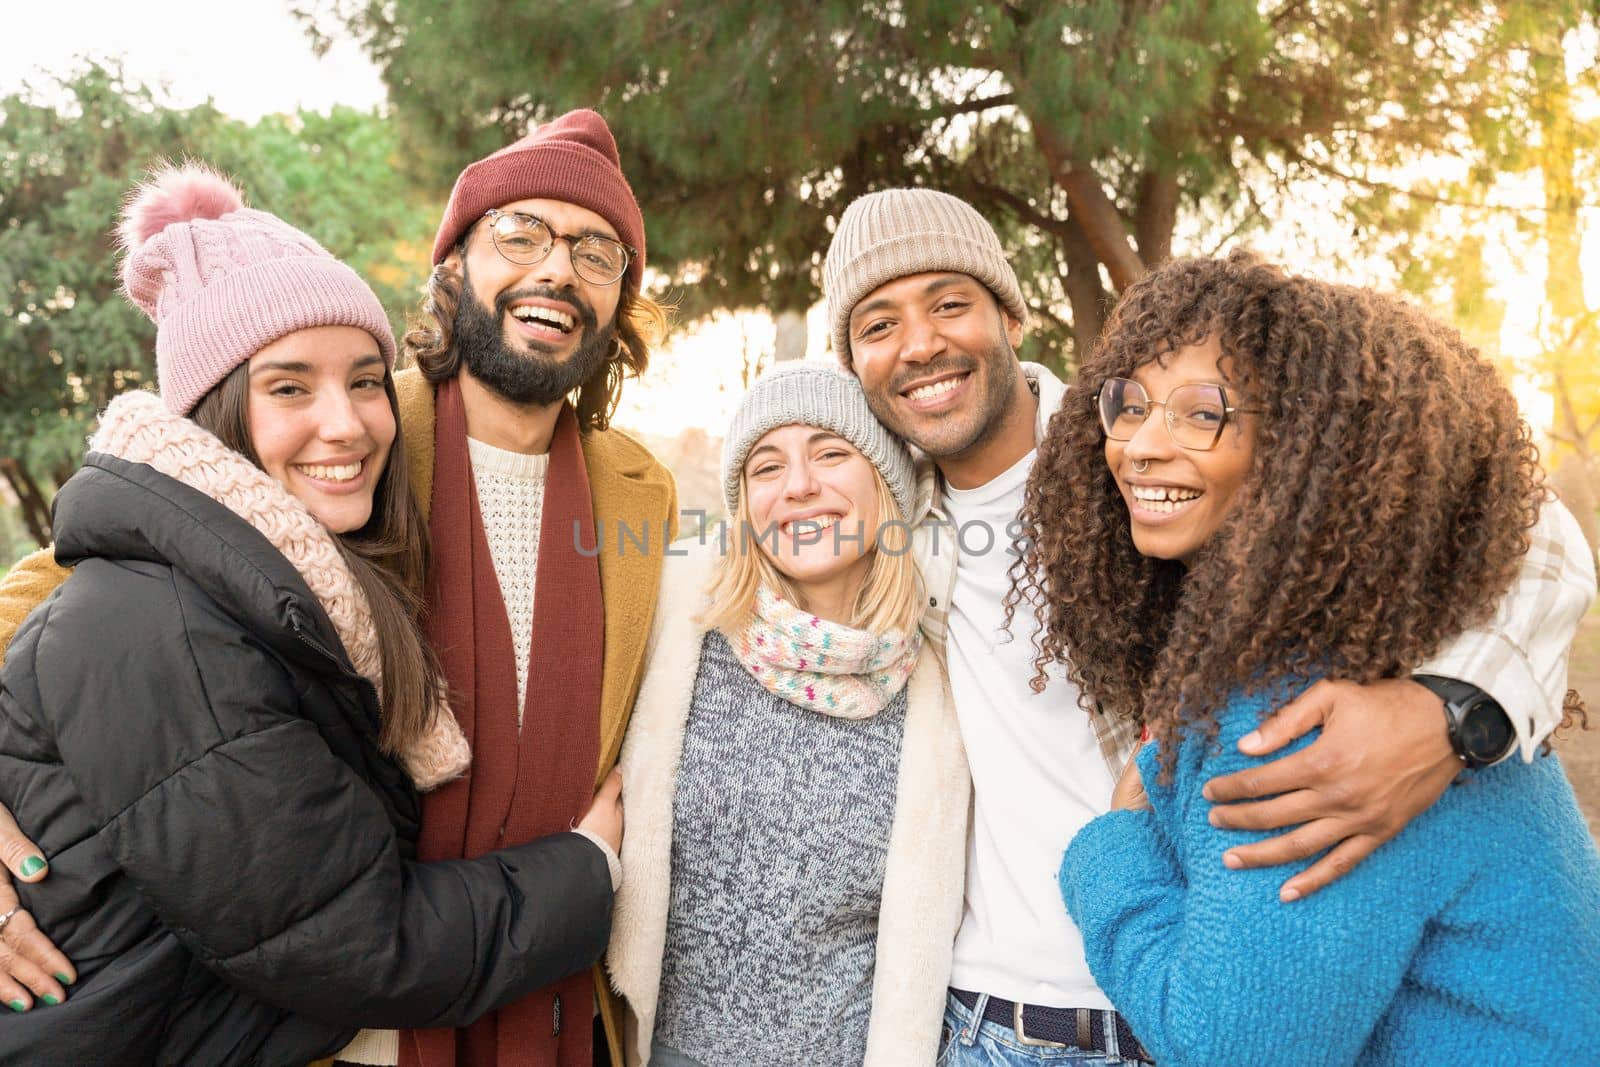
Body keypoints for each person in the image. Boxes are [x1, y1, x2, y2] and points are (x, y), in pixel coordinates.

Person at [821, 189, 1595, 1065]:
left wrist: (1452, 712)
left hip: (1176, 989)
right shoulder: (896, 517)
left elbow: (1524, 530)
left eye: (949, 303)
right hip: (991, 1014)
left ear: (1009, 312)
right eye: (877, 324)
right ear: (852, 363)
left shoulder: (1129, 471)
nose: (920, 343)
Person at [0, 109, 677, 1067]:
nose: (557, 268)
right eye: (520, 233)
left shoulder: (640, 489)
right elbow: (79, 582)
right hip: (351, 1009)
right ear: (455, 267)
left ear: (620, 301)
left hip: (558, 997)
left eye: (597, 251)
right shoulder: (364, 426)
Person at [1032, 250, 1600, 1064]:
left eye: (1202, 413)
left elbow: (1234, 1050)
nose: (1140, 446)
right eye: (1130, 405)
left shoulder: (1303, 715)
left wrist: (1109, 855)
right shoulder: (1377, 640)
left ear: (1305, 448)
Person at [604, 362, 969, 1067]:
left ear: (887, 482)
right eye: (767, 466)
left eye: (831, 452)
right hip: (661, 1050)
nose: (799, 484)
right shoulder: (680, 628)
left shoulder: (942, 678)